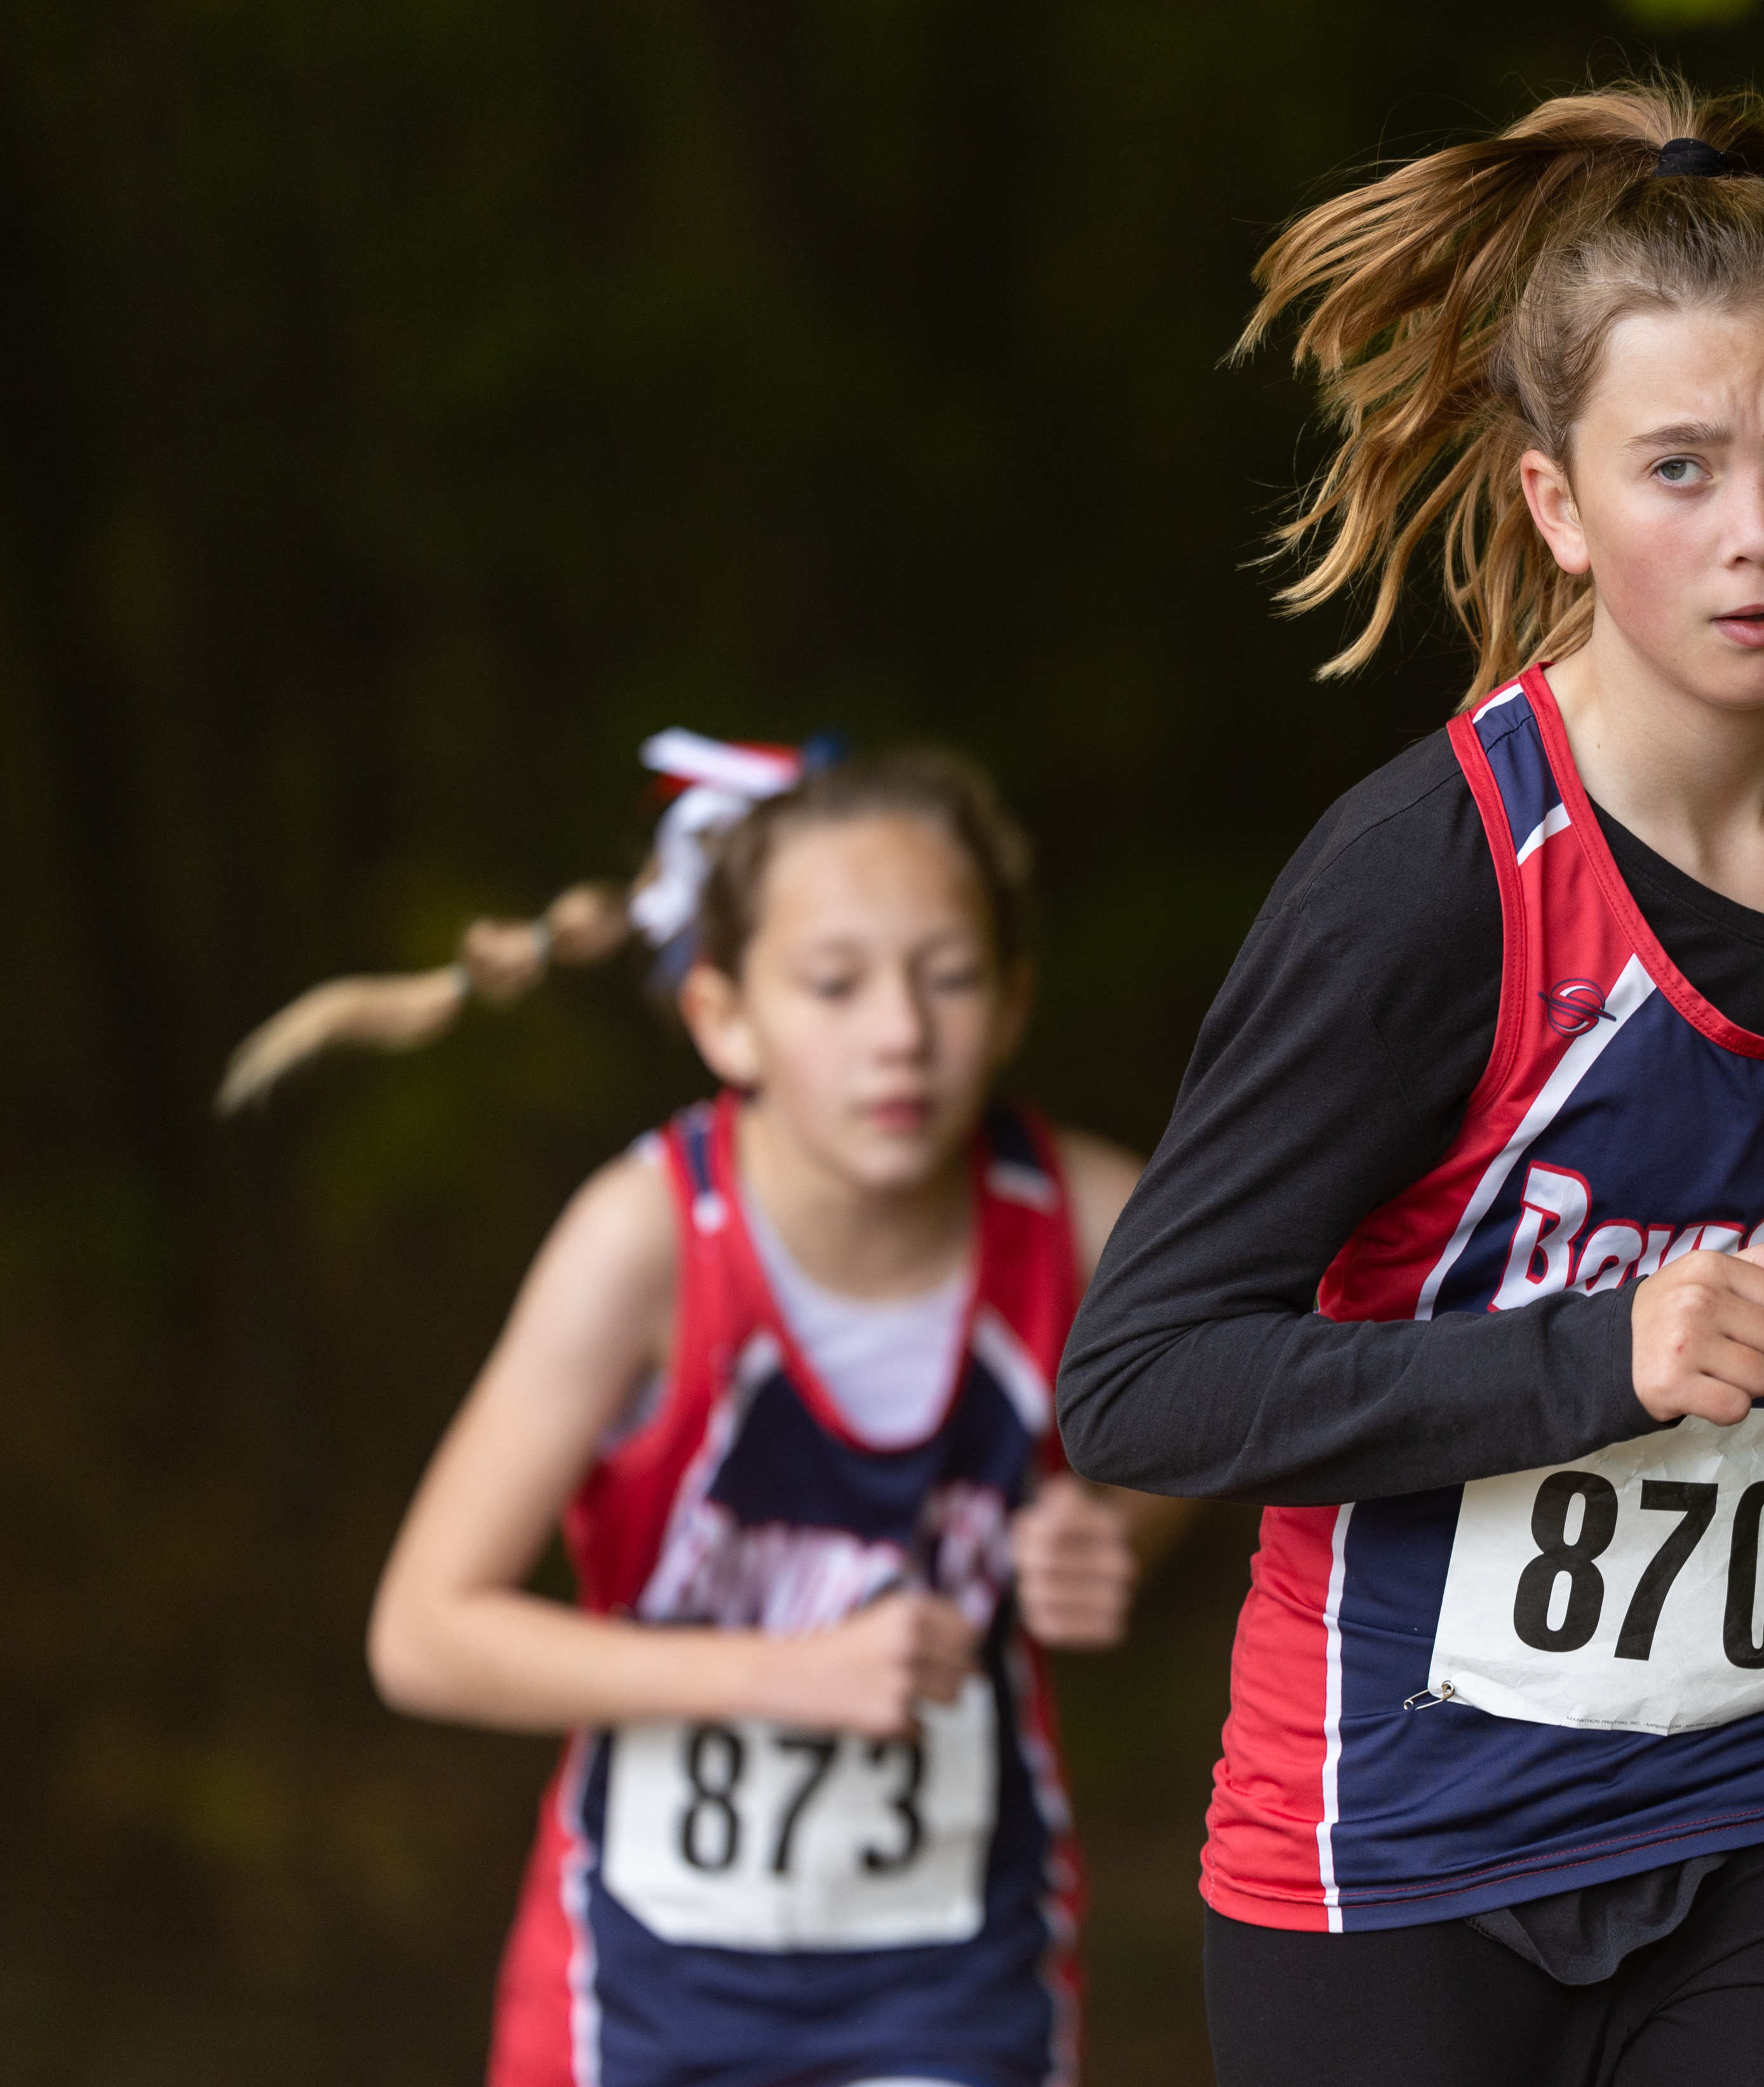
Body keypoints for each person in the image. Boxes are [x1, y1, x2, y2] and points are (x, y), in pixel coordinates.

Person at [1056, 78, 1764, 2087]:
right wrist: (1597, 1357)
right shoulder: (1431, 883)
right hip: (1397, 1836)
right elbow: (1140, 1383)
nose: (1756, 534)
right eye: (1676, 468)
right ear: (1556, 504)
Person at [290, 738, 1183, 2087]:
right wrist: (789, 1677)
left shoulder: (1093, 1224)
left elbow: (1286, 1405)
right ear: (722, 1016)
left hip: (954, 1975)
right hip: (638, 1984)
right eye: (834, 983)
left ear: (1012, 1003)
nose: (900, 1031)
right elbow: (423, 1632)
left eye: (947, 976)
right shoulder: (646, 1239)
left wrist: (1119, 1528)